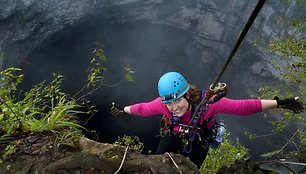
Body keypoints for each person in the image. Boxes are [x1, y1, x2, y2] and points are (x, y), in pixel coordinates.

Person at [111, 71, 304, 168]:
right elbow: (143, 109)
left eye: (177, 101)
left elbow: (243, 107)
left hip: (199, 140)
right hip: (174, 135)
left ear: (187, 94)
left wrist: (278, 103)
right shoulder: (163, 104)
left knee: (191, 168)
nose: (174, 108)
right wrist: (123, 109)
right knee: (156, 162)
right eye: (169, 104)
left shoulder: (207, 103)